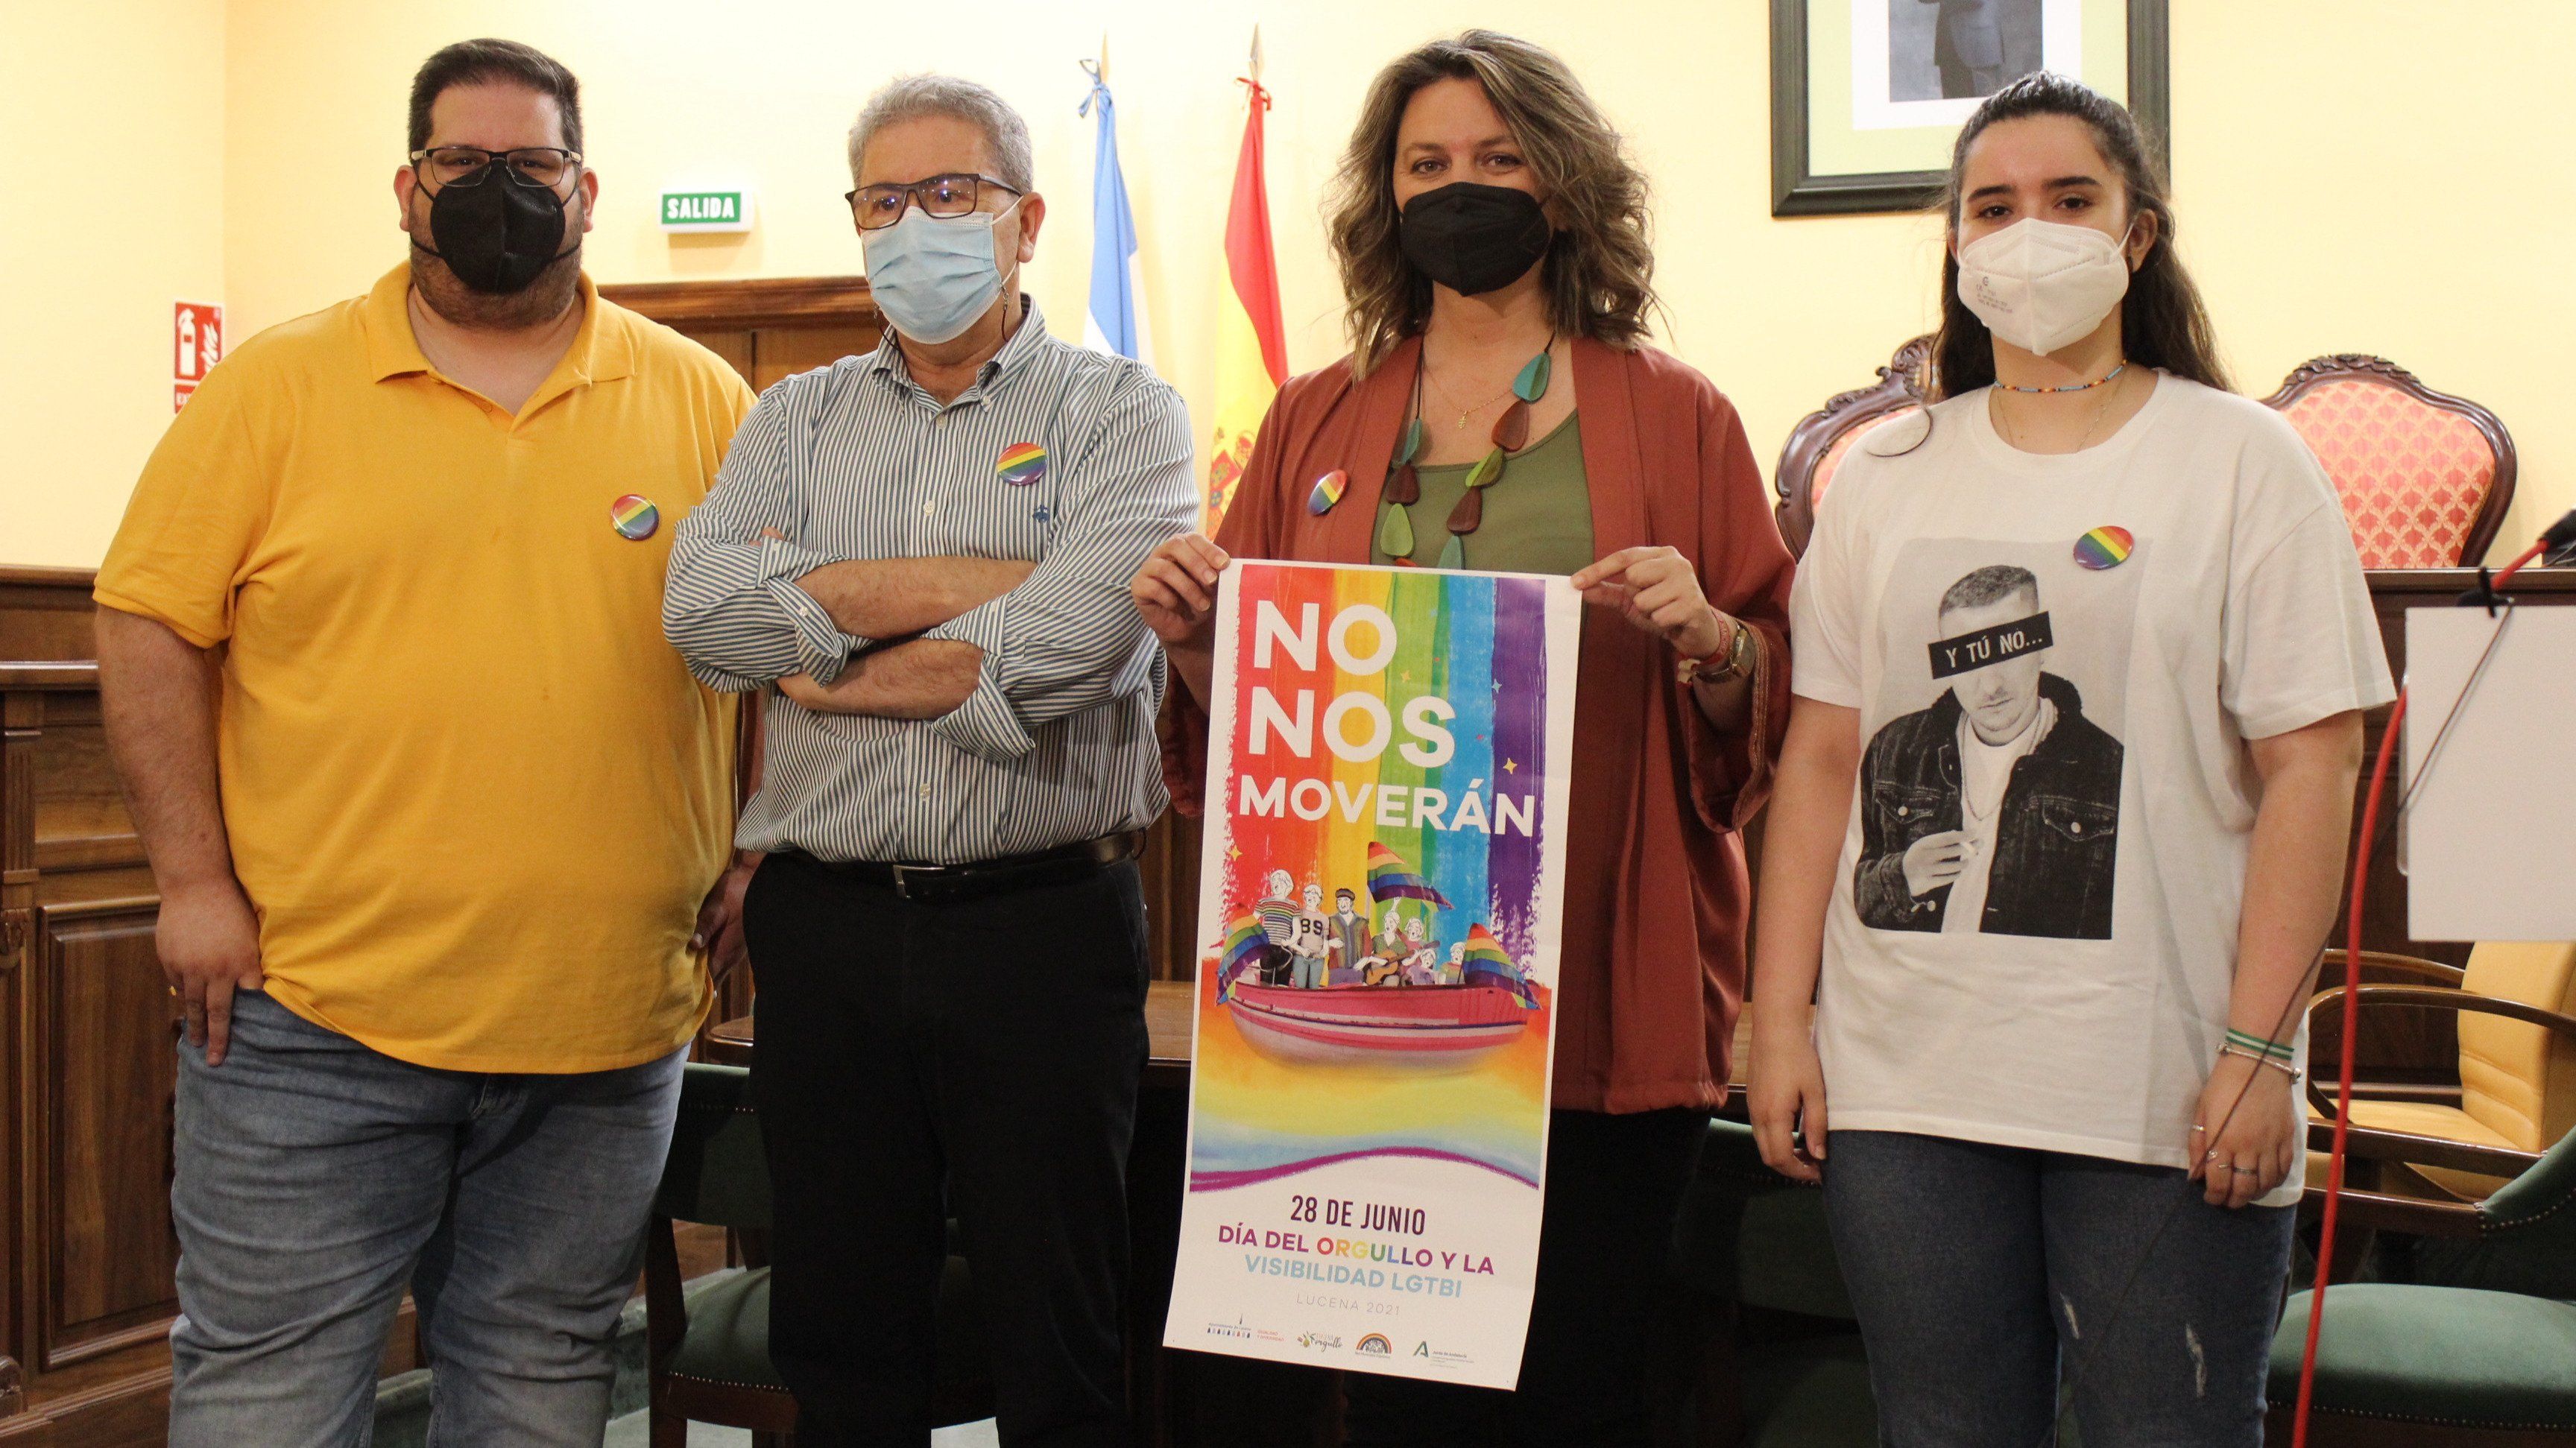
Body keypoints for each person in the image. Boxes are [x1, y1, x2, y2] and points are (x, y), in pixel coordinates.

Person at [93, 39, 757, 1447]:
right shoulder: (276, 388)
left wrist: (761, 836)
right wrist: (192, 880)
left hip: (600, 1024)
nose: (500, 190)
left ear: (586, 192)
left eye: (535, 166)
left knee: (536, 1381)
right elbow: (148, 619)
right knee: (267, 1395)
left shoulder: (705, 400)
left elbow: (786, 647)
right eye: (466, 163)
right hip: (306, 1015)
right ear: (407, 186)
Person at [1133, 31, 1793, 1445]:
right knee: (1375, 1388)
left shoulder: (1675, 415)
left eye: (1498, 160)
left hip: (1599, 991)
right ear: (1385, 196)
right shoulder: (1314, 416)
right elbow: (1253, 705)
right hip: (1357, 994)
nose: (1462, 188)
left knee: (1570, 1381)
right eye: (1427, 164)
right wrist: (1195, 634)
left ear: (1561, 187)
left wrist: (1714, 641)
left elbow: (1770, 697)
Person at [1748, 73, 2390, 1447]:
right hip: (1906, 1074)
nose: (2028, 232)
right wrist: (1778, 1016)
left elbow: (2312, 766)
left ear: (2137, 235)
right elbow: (1816, 761)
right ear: (1958, 246)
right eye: (1993, 206)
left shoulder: (2243, 461)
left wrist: (2258, 1050)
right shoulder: (1884, 474)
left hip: (2161, 1079)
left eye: (2069, 200)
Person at [661, 72, 1194, 1447]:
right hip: (826, 925)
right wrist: (985, 586)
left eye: (950, 193)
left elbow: (1076, 645)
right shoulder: (792, 418)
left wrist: (820, 629)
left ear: (1024, 220)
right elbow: (703, 616)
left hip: (1042, 923)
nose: (915, 226)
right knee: (841, 1328)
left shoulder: (1122, 411)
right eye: (883, 201)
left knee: (1058, 1329)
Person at [1854, 563, 2123, 937]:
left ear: (2041, 649)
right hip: (1916, 988)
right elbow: (1853, 888)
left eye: (2008, 654)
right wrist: (1902, 877)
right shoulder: (1896, 748)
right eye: (1968, 662)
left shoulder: (2108, 768)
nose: (1991, 685)